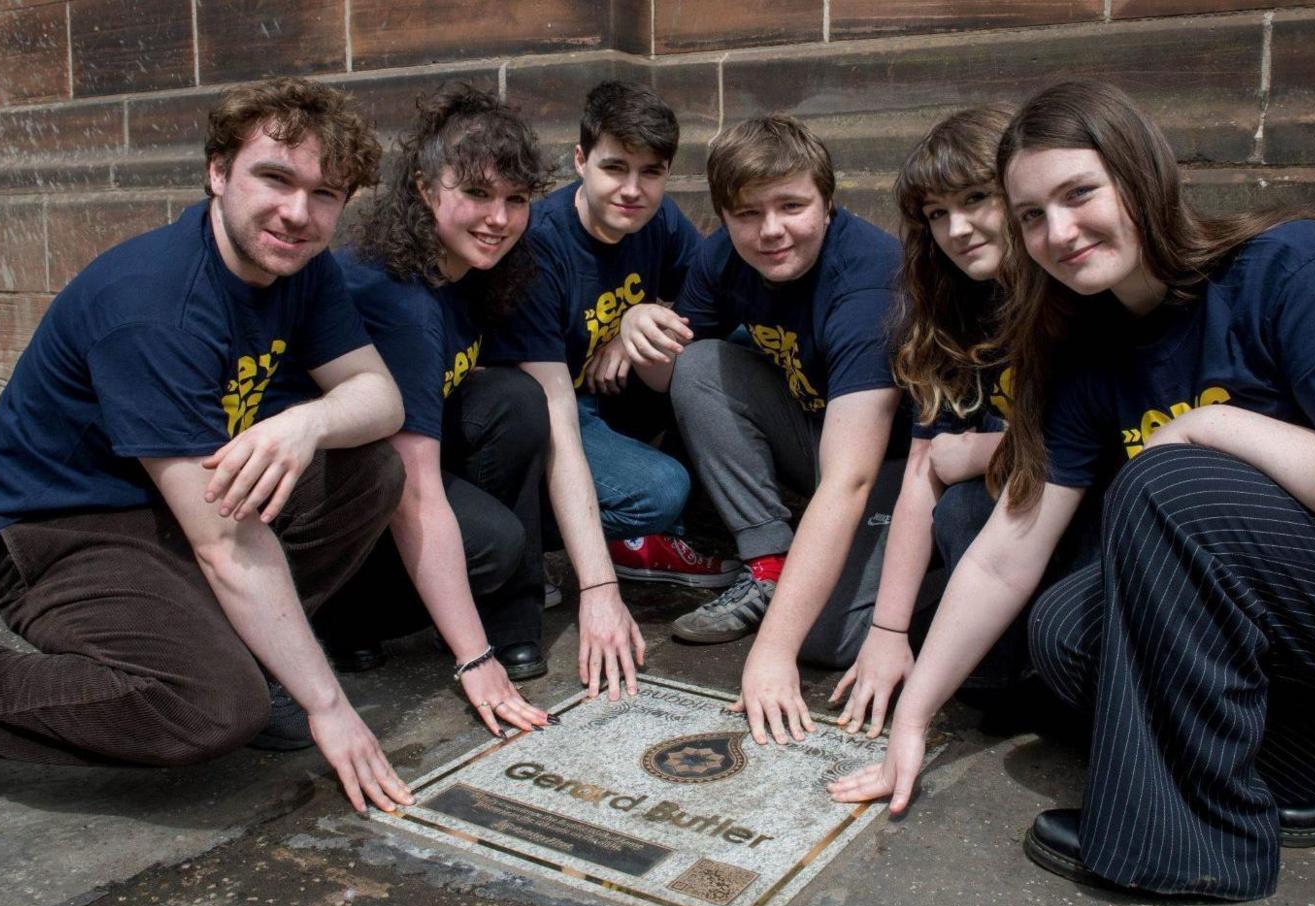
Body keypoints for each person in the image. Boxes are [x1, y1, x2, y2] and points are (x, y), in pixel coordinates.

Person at [830, 79, 1315, 901]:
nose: (1057, 233)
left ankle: (1187, 842)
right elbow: (1007, 552)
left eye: (1079, 194)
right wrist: (915, 719)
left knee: (1170, 482)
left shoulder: (1296, 266)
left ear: (1140, 176)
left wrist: (1212, 427)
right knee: (1066, 634)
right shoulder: (1085, 346)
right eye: (1031, 214)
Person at [0, 77, 415, 818]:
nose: (298, 213)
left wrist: (307, 423)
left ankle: (256, 656)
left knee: (366, 468)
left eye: (325, 194)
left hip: (170, 498)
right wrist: (327, 703)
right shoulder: (155, 306)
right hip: (54, 528)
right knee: (211, 707)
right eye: (275, 178)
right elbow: (226, 545)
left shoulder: (302, 267)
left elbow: (379, 397)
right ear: (218, 171)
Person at [620, 114, 917, 746]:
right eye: (748, 213)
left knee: (822, 637)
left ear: (828, 202)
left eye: (792, 206)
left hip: (895, 469)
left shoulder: (868, 280)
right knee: (698, 362)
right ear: (724, 215)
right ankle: (771, 564)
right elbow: (667, 381)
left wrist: (773, 653)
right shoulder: (722, 256)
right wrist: (639, 329)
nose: (771, 230)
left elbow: (851, 478)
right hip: (808, 433)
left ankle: (942, 587)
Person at [304, 83, 556, 733]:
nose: (498, 217)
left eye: (515, 200)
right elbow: (414, 492)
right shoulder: (400, 298)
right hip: (331, 497)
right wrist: (474, 659)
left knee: (514, 399)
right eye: (475, 193)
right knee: (497, 546)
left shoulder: (482, 270)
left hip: (398, 456)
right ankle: (343, 612)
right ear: (423, 189)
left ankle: (511, 619)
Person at [490, 80, 735, 701]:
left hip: (619, 400)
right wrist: (598, 593)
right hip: (551, 413)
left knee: (718, 357)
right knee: (660, 490)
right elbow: (552, 409)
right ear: (579, 162)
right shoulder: (540, 245)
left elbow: (714, 298)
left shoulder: (661, 222)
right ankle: (538, 544)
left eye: (650, 172)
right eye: (614, 168)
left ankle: (645, 536)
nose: (632, 189)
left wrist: (640, 319)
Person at [832, 106, 1016, 737]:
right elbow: (920, 472)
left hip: (1090, 520)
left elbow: (1108, 449)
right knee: (844, 639)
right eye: (938, 213)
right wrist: (888, 633)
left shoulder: (1074, 289)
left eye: (976, 199)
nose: (958, 228)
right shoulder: (948, 306)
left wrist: (981, 453)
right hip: (1011, 525)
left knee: (967, 502)